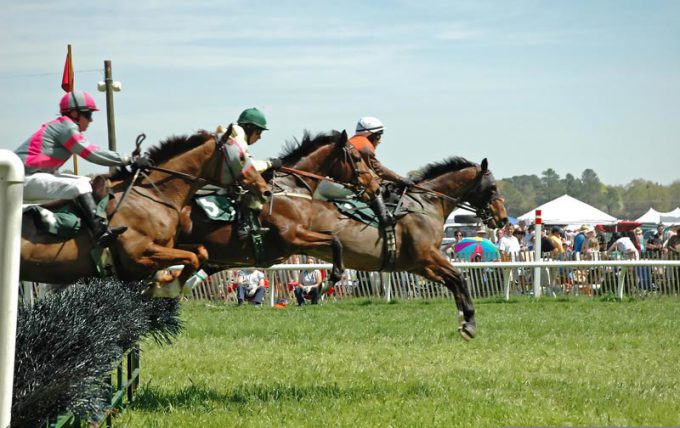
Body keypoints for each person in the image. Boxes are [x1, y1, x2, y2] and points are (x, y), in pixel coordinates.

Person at [14, 91, 150, 247]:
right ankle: (100, 231)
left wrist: (127, 162)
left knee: (87, 182)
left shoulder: (64, 126)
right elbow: (90, 152)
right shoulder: (66, 126)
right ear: (74, 113)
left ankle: (83, 223)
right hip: (21, 180)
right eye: (88, 115)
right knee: (81, 186)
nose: (90, 120)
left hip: (34, 176)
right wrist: (128, 159)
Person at [217, 107, 282, 240]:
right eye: (258, 132)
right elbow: (248, 167)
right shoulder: (238, 137)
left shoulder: (235, 135)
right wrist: (270, 163)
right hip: (219, 179)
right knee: (250, 189)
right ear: (248, 127)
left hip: (219, 175)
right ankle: (244, 226)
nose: (259, 137)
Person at [348, 116, 413, 226]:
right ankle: (386, 223)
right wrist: (400, 179)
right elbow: (378, 170)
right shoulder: (365, 147)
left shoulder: (352, 141)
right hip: (354, 184)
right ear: (371, 135)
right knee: (389, 193)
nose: (379, 140)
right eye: (379, 135)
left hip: (348, 181)